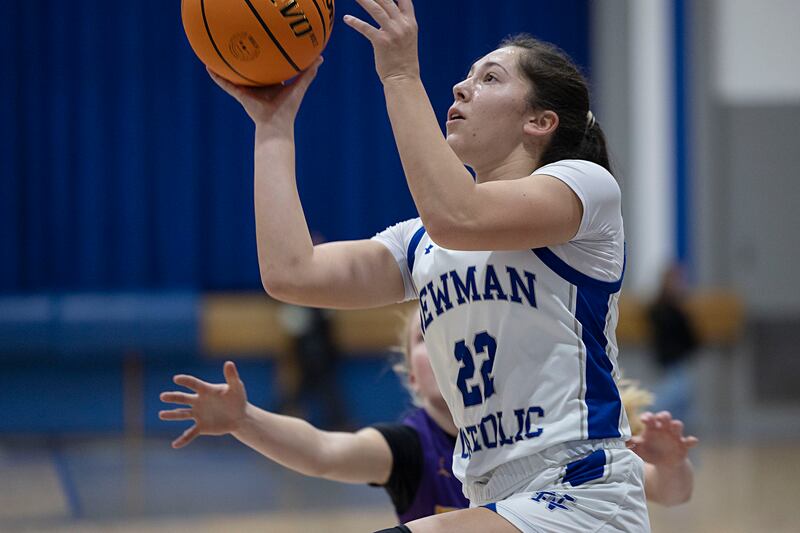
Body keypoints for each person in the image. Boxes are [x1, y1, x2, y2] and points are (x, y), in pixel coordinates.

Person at [198, 0, 648, 529]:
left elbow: (460, 215)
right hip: (492, 497)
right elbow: (290, 273)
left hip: (580, 496)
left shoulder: (586, 188)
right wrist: (273, 126)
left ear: (539, 121)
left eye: (489, 78)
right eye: (465, 76)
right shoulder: (421, 243)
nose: (460, 88)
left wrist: (399, 73)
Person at [160, 311, 697, 522]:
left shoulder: (544, 432)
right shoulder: (410, 447)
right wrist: (245, 419)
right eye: (425, 337)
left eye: (457, 333)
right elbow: (323, 452)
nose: (444, 346)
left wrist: (671, 464)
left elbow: (667, 492)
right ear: (410, 375)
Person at [647, 263, 699, 425]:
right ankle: (644, 420)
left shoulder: (679, 310)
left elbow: (691, 337)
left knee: (682, 402)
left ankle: (676, 432)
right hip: (669, 361)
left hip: (679, 361)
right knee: (669, 399)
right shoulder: (661, 309)